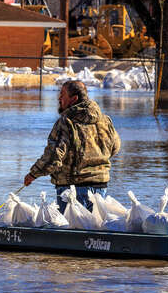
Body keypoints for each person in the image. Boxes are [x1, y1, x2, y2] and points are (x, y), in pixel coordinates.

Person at [24, 80, 121, 213]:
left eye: (62, 95)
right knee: (92, 230)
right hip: (100, 187)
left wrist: (33, 174)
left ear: (73, 99)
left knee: (71, 230)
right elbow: (115, 148)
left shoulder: (66, 122)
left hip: (72, 190)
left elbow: (53, 157)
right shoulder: (105, 120)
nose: (59, 98)